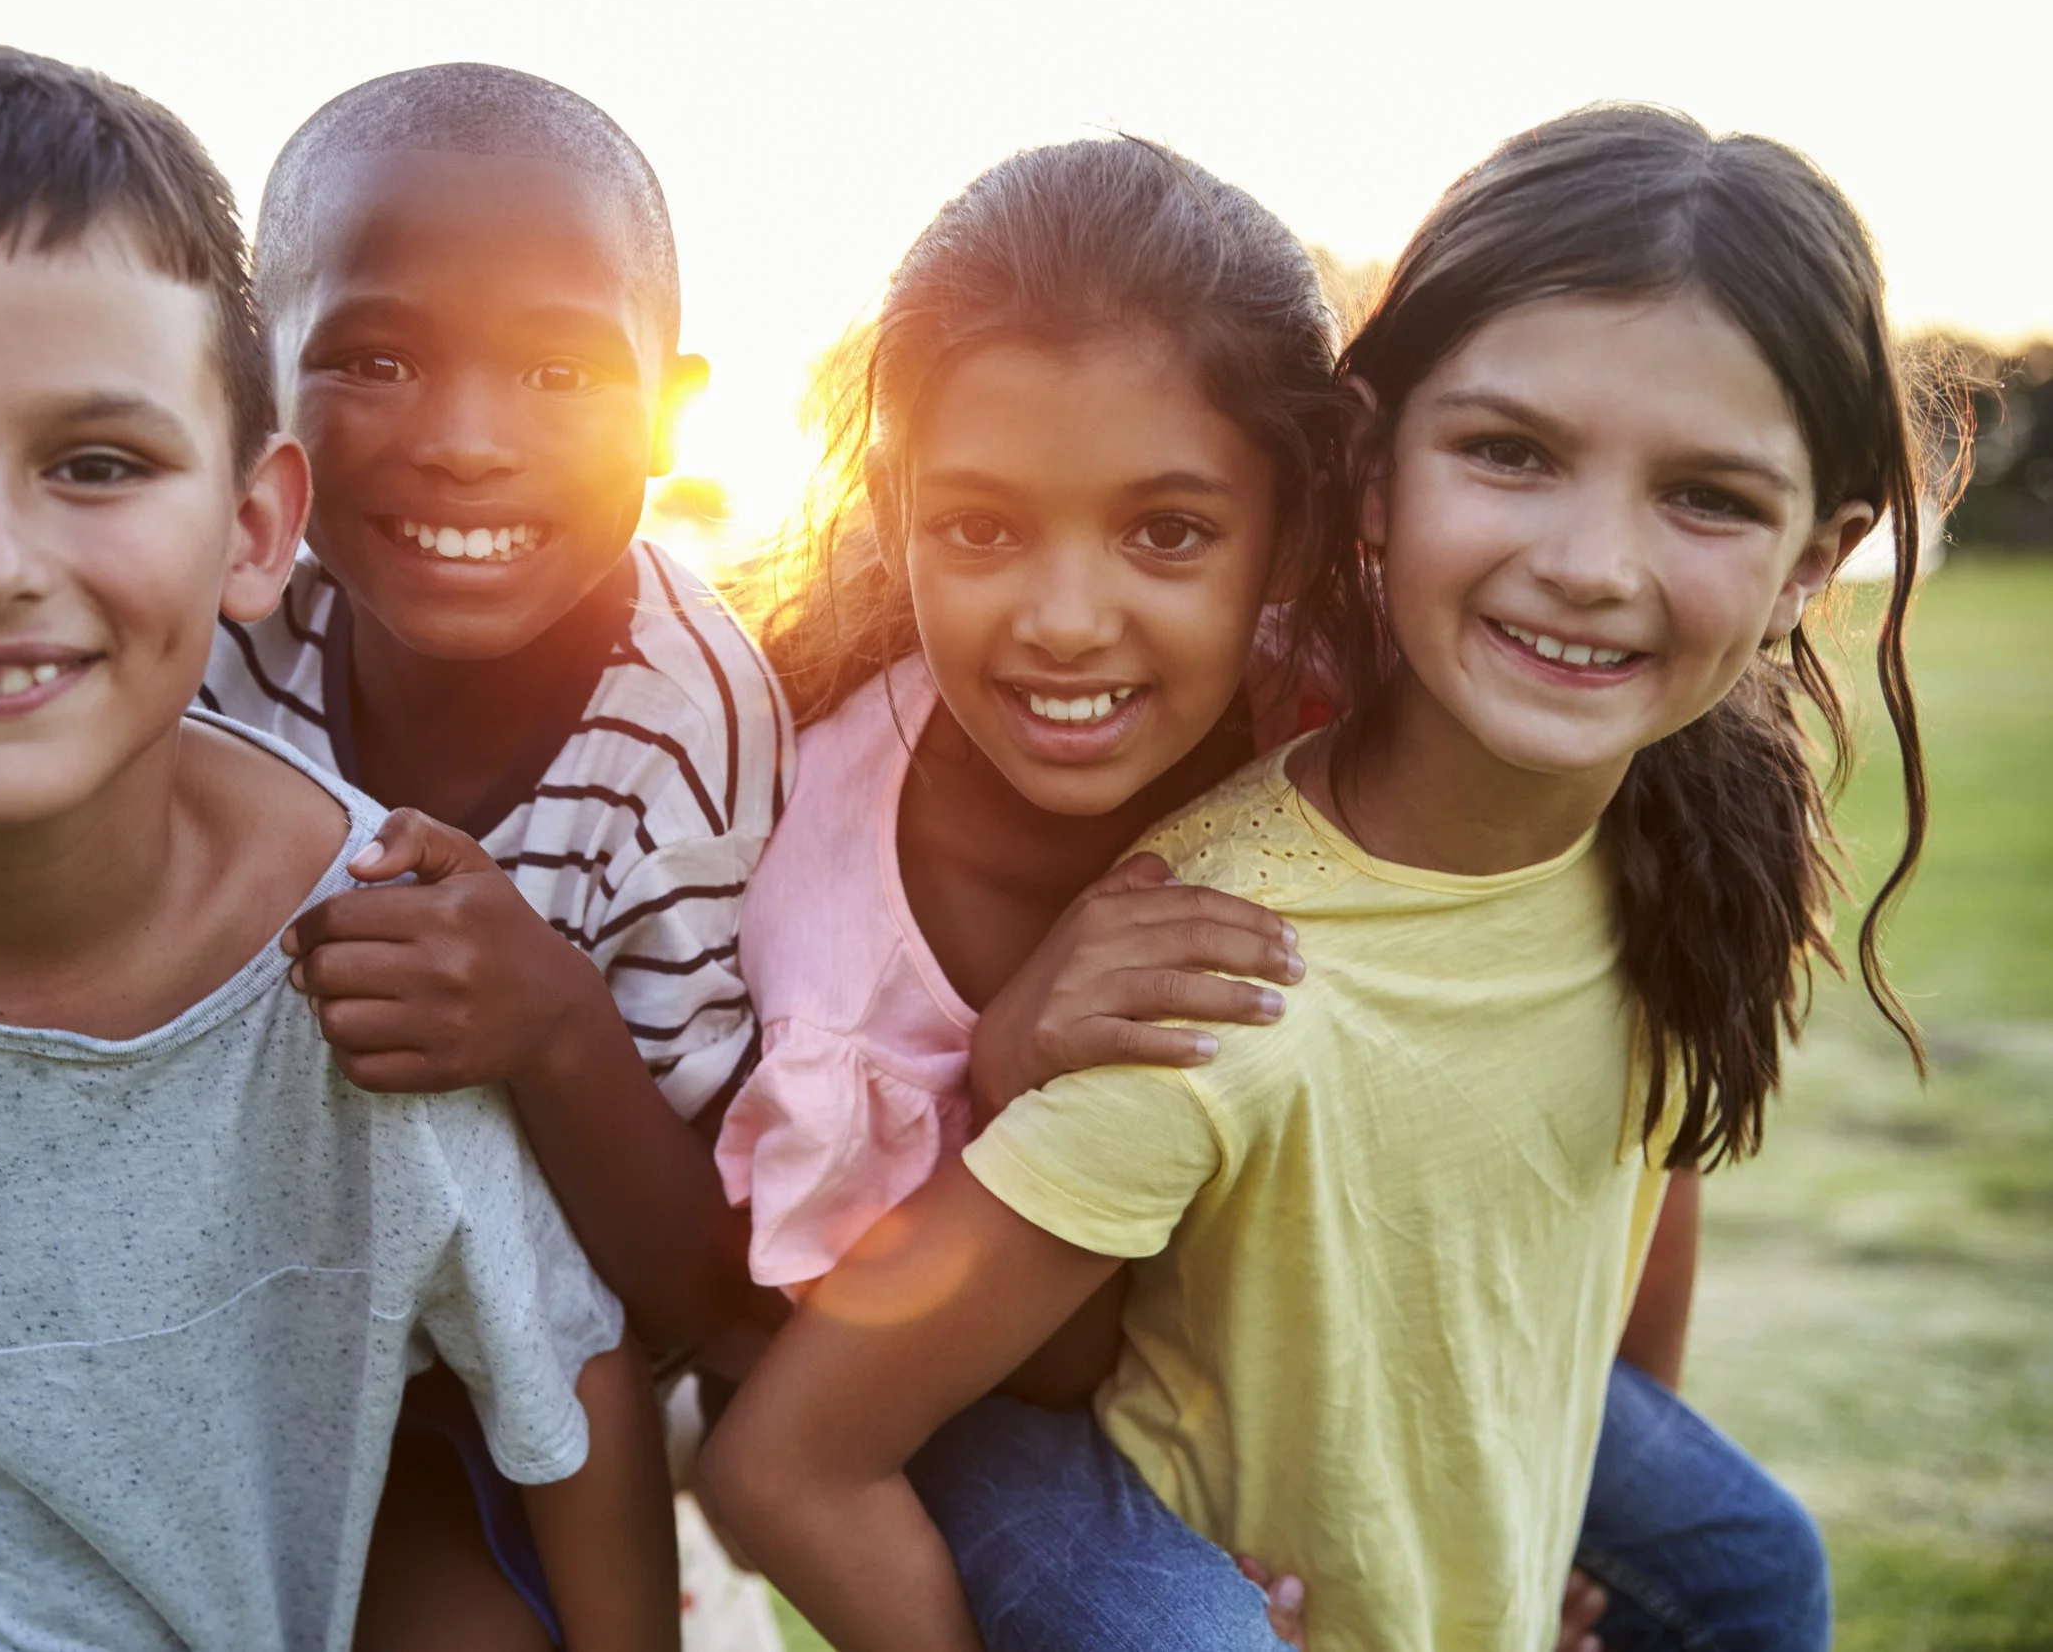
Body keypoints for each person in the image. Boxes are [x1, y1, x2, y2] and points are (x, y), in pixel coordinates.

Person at [0, 60, 782, 1648]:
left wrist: (547, 1026)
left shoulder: (692, 732)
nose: (469, 439)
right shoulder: (197, 601)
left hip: (432, 1363)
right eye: (378, 355)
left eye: (558, 372)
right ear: (266, 399)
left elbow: (688, 1298)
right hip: (50, 1234)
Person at [700, 104, 1938, 1651]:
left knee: (1753, 1566)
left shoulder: (1650, 814)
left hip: (1283, 1303)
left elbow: (1628, 1170)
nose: (1591, 565)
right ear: (1371, 478)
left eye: (1703, 496)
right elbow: (818, 1413)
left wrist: (1564, 1515)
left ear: (1816, 561)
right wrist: (1016, 1054)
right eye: (1509, 452)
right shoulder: (1201, 965)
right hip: (975, 1346)